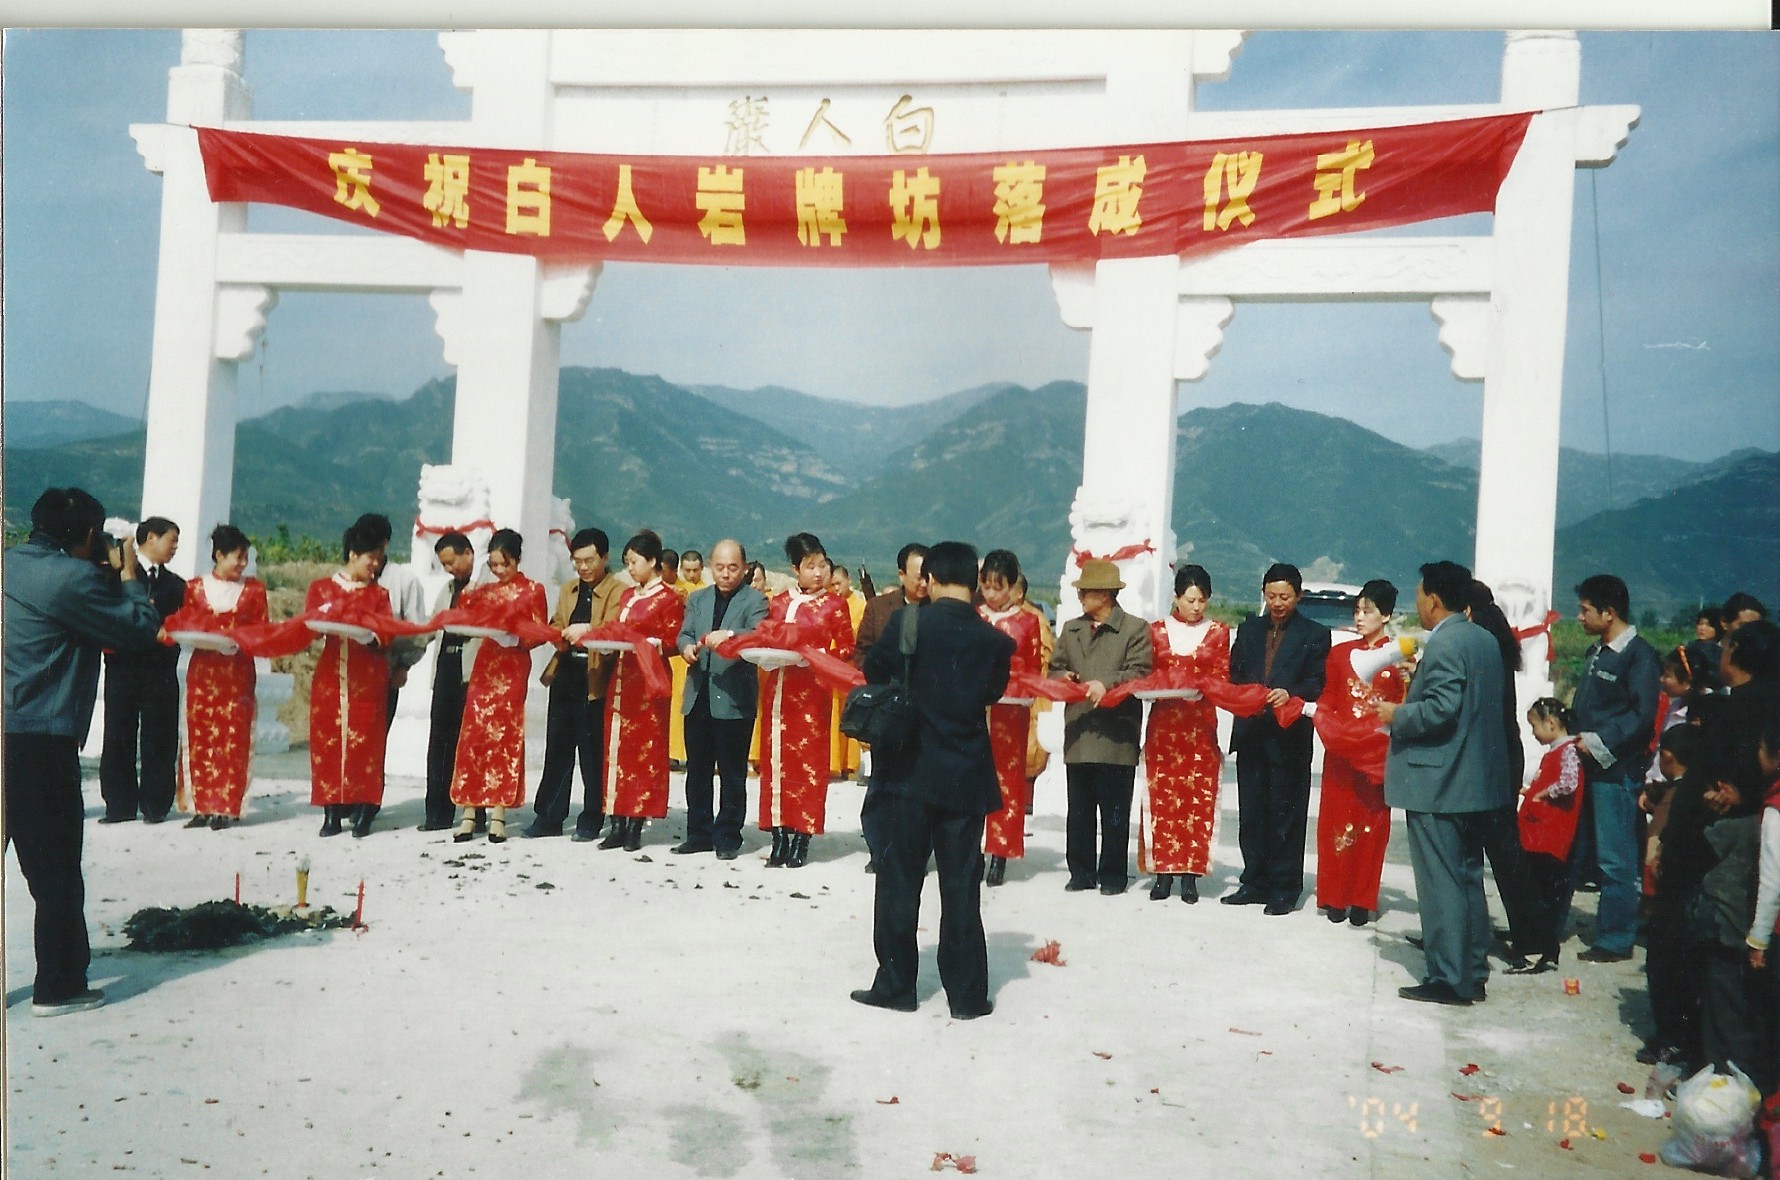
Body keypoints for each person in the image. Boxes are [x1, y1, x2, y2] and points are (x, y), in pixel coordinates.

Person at [5, 487, 163, 1015]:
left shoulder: (9, 564)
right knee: (54, 873)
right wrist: (128, 575)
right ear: (92, 534)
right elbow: (140, 628)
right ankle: (59, 986)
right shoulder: (74, 579)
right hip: (38, 741)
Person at [852, 540, 1014, 1019]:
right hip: (965, 775)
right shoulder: (994, 642)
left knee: (899, 881)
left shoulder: (908, 623)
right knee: (961, 886)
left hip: (907, 770)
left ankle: (896, 986)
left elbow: (874, 669)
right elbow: (991, 693)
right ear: (974, 582)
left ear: (931, 579)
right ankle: (966, 995)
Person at [1378, 560, 1509, 1006]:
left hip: (1439, 781)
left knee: (1441, 883)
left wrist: (1397, 714)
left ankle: (1449, 977)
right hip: (1475, 781)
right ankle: (1472, 969)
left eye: (1419, 596)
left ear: (1434, 600)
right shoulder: (1484, 639)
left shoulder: (1445, 642)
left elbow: (1441, 707)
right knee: (1467, 878)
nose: (1417, 604)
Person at [1223, 562, 1330, 914]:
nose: (1278, 603)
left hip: (1289, 736)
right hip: (1252, 731)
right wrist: (1247, 695)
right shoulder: (1248, 629)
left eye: (1284, 596)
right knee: (1252, 813)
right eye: (1271, 596)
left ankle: (1284, 887)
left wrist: (1290, 693)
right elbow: (1235, 673)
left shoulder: (1315, 634)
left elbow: (1318, 682)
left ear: (1298, 596)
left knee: (1286, 813)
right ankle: (1254, 881)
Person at [1568, 574, 1661, 963]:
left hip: (1616, 772)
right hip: (1586, 764)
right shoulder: (1598, 652)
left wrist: (1597, 741)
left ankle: (1616, 938)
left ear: (1609, 613)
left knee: (1615, 858)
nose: (1579, 617)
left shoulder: (1640, 656)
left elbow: (1641, 716)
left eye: (1585, 610)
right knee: (1576, 853)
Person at [1048, 558, 1153, 896]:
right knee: (1079, 810)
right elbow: (1053, 667)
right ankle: (1080, 872)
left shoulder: (1135, 629)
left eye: (1086, 592)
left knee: (1114, 812)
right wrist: (1062, 676)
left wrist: (1105, 683)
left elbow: (1140, 672)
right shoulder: (1071, 629)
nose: (1080, 598)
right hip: (1079, 729)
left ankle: (1112, 875)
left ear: (1105, 595)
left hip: (1116, 734)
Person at [757, 532, 855, 868]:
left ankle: (802, 837)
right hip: (778, 690)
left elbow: (846, 647)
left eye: (822, 565)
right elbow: (766, 637)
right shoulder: (779, 602)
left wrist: (817, 656)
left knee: (808, 764)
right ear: (795, 569)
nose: (818, 572)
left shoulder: (835, 605)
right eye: (810, 566)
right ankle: (778, 836)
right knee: (776, 763)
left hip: (812, 694)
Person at [1312, 578, 1406, 926]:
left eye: (1368, 611)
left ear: (1386, 615)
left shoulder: (1399, 658)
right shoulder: (1339, 654)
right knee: (1336, 822)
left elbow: (1403, 705)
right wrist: (1327, 724)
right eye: (1357, 611)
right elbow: (1329, 697)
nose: (1360, 617)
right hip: (1341, 752)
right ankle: (1335, 897)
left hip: (1376, 756)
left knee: (1372, 825)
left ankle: (1362, 899)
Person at [448, 529, 549, 844]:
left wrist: (517, 639)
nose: (499, 570)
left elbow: (540, 630)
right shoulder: (486, 590)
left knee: (504, 737)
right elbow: (464, 613)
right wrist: (474, 586)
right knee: (474, 735)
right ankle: (468, 812)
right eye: (493, 564)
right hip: (486, 664)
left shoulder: (533, 590)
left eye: (504, 564)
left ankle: (498, 814)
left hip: (513, 666)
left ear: (517, 560)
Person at [1137, 564, 1230, 904]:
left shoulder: (1218, 632)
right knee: (1162, 795)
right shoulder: (1156, 632)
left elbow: (1221, 676)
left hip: (1199, 726)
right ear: (1176, 597)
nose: (1196, 607)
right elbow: (1146, 674)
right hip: (1164, 727)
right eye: (1190, 600)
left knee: (1196, 798)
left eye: (1202, 601)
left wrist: (1203, 685)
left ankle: (1190, 875)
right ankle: (1162, 874)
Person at [527, 527, 625, 841]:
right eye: (577, 561)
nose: (583, 567)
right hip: (566, 671)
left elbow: (614, 627)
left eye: (589, 560)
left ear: (605, 558)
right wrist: (557, 633)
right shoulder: (569, 589)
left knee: (592, 752)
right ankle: (549, 816)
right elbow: (557, 621)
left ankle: (592, 818)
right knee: (557, 746)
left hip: (596, 675)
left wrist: (588, 629)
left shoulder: (618, 591)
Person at [1465, 581, 1544, 969]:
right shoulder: (1494, 641)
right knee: (1496, 850)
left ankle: (1533, 940)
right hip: (1500, 755)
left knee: (1503, 852)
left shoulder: (1482, 646)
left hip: (1491, 759)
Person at [675, 539, 768, 858]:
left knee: (732, 772)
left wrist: (730, 636)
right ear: (709, 567)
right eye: (719, 567)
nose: (726, 574)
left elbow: (759, 634)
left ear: (744, 568)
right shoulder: (697, 598)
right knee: (697, 771)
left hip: (733, 697)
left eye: (732, 567)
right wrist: (686, 648)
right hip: (698, 693)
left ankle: (728, 835)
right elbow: (685, 633)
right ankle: (698, 833)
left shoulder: (755, 600)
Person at [173, 524, 269, 830]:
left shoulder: (254, 591)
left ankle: (226, 807)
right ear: (218, 555)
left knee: (233, 737)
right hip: (203, 671)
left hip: (237, 672)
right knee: (200, 735)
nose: (242, 564)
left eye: (245, 558)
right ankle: (200, 806)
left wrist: (240, 641)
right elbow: (187, 624)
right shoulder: (194, 588)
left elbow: (261, 630)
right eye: (237, 557)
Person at [307, 520, 399, 838]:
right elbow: (311, 625)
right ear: (352, 554)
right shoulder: (321, 589)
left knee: (367, 744)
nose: (375, 565)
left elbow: (387, 633)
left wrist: (371, 638)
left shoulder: (379, 595)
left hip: (369, 677)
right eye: (370, 558)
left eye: (378, 559)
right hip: (331, 676)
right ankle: (331, 812)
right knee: (328, 742)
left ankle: (365, 810)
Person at [598, 532, 686, 852]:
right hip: (622, 678)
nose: (631, 568)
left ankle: (636, 823)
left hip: (649, 681)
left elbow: (675, 640)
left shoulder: (669, 598)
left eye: (635, 562)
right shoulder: (626, 596)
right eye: (627, 563)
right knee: (617, 748)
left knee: (644, 751)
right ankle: (616, 822)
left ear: (652, 561)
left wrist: (653, 643)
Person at [98, 515, 184, 824]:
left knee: (160, 736)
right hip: (124, 666)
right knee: (118, 733)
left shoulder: (177, 585)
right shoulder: (115, 577)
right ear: (150, 538)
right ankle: (119, 804)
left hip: (161, 669)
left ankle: (156, 805)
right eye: (172, 540)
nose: (175, 547)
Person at [976, 549, 1043, 887]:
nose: (991, 594)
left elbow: (1033, 667)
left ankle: (1000, 852)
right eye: (986, 586)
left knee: (1006, 779)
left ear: (1013, 587)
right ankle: (971, 848)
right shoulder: (975, 616)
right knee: (971, 776)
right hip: (974, 708)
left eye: (998, 587)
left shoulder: (1027, 622)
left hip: (1011, 711)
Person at [1510, 698, 1588, 975]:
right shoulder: (1556, 752)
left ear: (1551, 723)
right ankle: (1537, 945)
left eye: (1535, 726)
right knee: (1538, 891)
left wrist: (1543, 794)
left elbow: (1569, 782)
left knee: (1545, 894)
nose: (1533, 733)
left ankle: (1545, 949)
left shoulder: (1567, 751)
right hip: (1540, 833)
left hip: (1550, 835)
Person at [419, 531, 479, 832]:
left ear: (469, 553)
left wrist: (457, 622)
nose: (449, 569)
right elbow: (432, 625)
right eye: (443, 564)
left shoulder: (484, 588)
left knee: (469, 742)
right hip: (446, 667)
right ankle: (437, 813)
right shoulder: (447, 589)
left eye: (452, 562)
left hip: (471, 672)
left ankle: (475, 813)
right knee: (439, 741)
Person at [354, 512, 430, 730]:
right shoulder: (349, 579)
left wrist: (403, 666)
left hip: (386, 672)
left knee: (375, 736)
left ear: (385, 544)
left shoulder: (403, 580)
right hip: (350, 673)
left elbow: (417, 631)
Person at [854, 543, 928, 670]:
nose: (924, 584)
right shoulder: (877, 607)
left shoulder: (938, 607)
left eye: (928, 577)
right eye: (919, 578)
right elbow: (862, 652)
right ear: (901, 575)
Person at [828, 561, 868, 780]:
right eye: (832, 585)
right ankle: (832, 763)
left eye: (839, 583)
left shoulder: (859, 605)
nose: (836, 589)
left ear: (849, 580)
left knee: (850, 713)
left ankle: (851, 765)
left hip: (849, 668)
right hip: (830, 667)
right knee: (832, 715)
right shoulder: (829, 604)